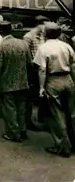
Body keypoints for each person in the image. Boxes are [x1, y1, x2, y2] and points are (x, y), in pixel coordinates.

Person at [34, 22, 75, 158]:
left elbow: (42, 69)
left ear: (46, 34)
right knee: (72, 113)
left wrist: (41, 87)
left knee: (56, 114)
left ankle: (62, 146)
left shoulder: (43, 48)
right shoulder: (66, 46)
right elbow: (73, 64)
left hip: (53, 80)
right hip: (68, 78)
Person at [0, 21, 31, 142]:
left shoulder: (0, 47)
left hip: (7, 81)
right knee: (21, 108)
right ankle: (23, 130)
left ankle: (14, 133)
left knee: (9, 109)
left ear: (0, 31)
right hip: (22, 81)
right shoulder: (23, 44)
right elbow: (29, 62)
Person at [23, 15, 50, 131]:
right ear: (39, 24)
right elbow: (26, 55)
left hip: (44, 68)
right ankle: (28, 122)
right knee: (31, 96)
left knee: (44, 94)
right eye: (45, 24)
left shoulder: (44, 36)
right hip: (34, 68)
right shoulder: (28, 36)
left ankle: (42, 118)